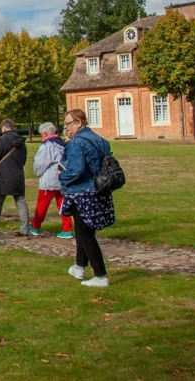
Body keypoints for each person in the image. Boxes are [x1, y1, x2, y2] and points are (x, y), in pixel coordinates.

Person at [60, 109, 114, 287]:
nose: (66, 127)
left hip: (82, 193)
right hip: (99, 190)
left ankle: (100, 275)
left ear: (79, 122)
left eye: (68, 123)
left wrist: (61, 175)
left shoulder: (76, 143)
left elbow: (75, 170)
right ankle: (79, 266)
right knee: (83, 232)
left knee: (86, 234)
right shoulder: (100, 140)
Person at [30, 122, 74, 238]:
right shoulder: (62, 143)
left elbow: (40, 163)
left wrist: (37, 172)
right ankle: (67, 229)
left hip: (49, 180)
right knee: (63, 205)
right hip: (62, 178)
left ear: (44, 133)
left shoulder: (47, 145)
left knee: (42, 205)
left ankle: (35, 227)